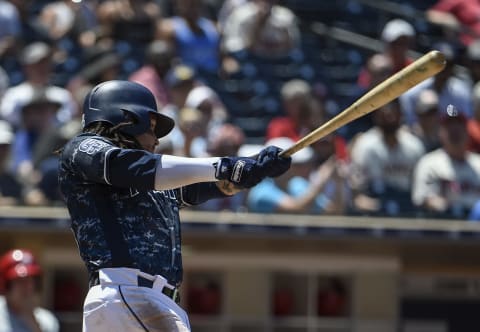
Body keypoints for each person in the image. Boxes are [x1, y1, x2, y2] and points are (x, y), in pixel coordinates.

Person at [58, 80, 291, 331]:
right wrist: (226, 166)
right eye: (152, 127)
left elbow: (202, 185)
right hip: (126, 292)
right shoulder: (82, 147)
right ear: (125, 118)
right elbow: (141, 168)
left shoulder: (153, 177)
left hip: (146, 301)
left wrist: (255, 168)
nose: (156, 141)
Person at [412, 106, 480, 219]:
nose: (455, 131)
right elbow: (423, 199)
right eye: (450, 128)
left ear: (468, 132)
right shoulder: (429, 163)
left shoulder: (478, 163)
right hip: (442, 228)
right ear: (441, 132)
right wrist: (452, 208)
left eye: (459, 127)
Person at [0, 248, 59, 332]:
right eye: (21, 281)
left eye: (32, 281)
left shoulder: (47, 320)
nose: (29, 287)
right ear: (5, 285)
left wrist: (33, 322)